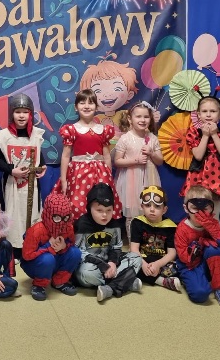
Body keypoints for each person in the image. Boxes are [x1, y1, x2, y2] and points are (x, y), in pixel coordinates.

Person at [0, 93, 46, 252]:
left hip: (32, 184)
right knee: (13, 215)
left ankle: (30, 247)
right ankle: (15, 249)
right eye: (18, 112)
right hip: (12, 184)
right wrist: (11, 170)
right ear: (12, 114)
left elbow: (38, 153)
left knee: (32, 213)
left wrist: (43, 166)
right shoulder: (3, 136)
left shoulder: (36, 134)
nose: (21, 115)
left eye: (25, 112)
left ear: (30, 114)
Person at [60, 89, 122, 222]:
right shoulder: (71, 130)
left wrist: (109, 177)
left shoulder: (103, 130)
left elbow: (106, 156)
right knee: (77, 202)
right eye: (82, 103)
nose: (87, 106)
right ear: (76, 107)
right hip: (78, 174)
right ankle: (80, 229)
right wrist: (64, 180)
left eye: (91, 103)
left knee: (101, 201)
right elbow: (65, 156)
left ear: (96, 107)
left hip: (100, 173)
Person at [73, 183, 142, 302]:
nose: (104, 215)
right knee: (85, 273)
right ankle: (125, 282)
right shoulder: (82, 225)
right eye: (99, 210)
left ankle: (109, 288)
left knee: (136, 258)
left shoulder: (115, 225)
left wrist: (112, 263)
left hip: (110, 263)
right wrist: (103, 266)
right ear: (89, 208)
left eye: (108, 210)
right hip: (91, 265)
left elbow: (117, 247)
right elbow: (78, 252)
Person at [179, 95, 220, 220]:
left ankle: (213, 231)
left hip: (218, 176)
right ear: (198, 114)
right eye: (204, 111)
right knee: (198, 208)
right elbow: (198, 156)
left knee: (214, 211)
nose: (208, 115)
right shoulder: (193, 132)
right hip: (199, 176)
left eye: (213, 111)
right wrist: (205, 135)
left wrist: (214, 134)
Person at [174, 186, 220, 309]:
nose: (200, 213)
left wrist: (210, 227)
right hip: (190, 266)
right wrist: (201, 242)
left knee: (213, 248)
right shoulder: (182, 229)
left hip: (207, 263)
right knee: (200, 295)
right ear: (186, 208)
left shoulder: (213, 223)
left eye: (205, 208)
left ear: (211, 208)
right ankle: (191, 280)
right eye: (195, 208)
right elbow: (184, 258)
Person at [114, 101, 163, 241]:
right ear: (130, 119)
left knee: (150, 210)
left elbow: (160, 161)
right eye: (138, 116)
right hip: (131, 180)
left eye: (146, 117)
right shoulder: (125, 139)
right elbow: (117, 161)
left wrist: (152, 153)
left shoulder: (152, 138)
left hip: (150, 179)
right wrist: (135, 160)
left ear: (150, 119)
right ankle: (133, 242)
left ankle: (148, 243)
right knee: (132, 214)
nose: (142, 120)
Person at [20, 191, 82, 301]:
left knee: (75, 252)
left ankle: (60, 281)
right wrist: (48, 246)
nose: (62, 223)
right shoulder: (36, 231)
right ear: (48, 214)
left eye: (66, 218)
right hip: (35, 264)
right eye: (57, 218)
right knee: (47, 259)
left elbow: (72, 244)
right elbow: (27, 255)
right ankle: (39, 285)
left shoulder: (68, 227)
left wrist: (64, 246)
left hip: (56, 260)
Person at [129, 186, 181, 292]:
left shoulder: (170, 227)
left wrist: (157, 265)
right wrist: (143, 264)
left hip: (161, 261)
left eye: (157, 206)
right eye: (148, 205)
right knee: (127, 261)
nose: (152, 209)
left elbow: (172, 253)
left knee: (180, 267)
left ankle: (147, 276)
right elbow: (134, 249)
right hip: (143, 259)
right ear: (142, 206)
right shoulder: (137, 222)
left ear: (164, 210)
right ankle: (161, 281)